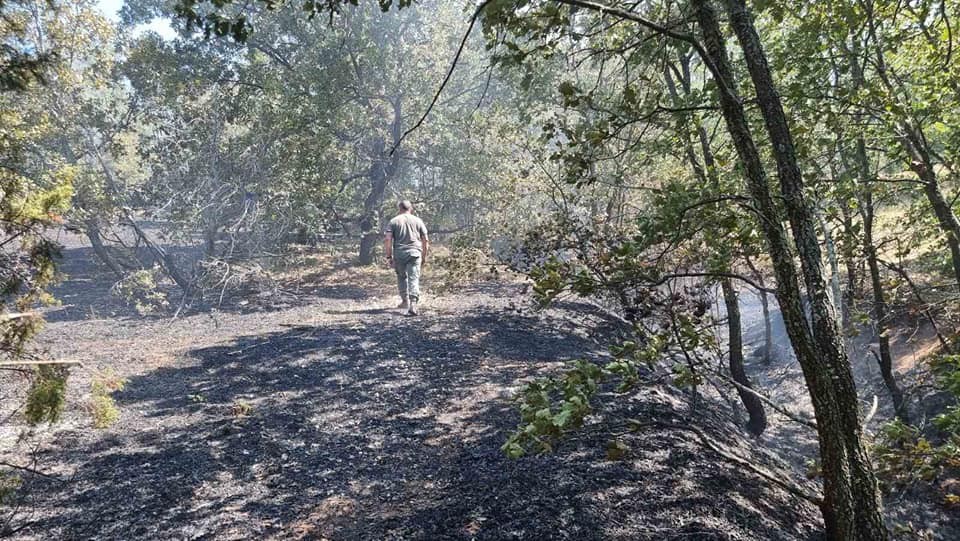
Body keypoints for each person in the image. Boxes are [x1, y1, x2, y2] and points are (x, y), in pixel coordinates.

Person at [384, 200, 429, 316]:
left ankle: (405, 300)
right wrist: (424, 256)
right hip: (415, 253)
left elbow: (388, 239)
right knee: (413, 278)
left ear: (399, 209)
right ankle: (413, 303)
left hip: (399, 253)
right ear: (411, 209)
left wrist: (389, 256)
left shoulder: (393, 221)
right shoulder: (418, 221)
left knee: (401, 276)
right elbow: (425, 240)